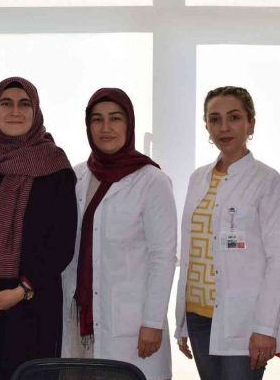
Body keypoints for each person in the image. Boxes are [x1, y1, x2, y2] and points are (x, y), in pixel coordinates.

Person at [174, 86, 280, 379]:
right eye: (214, 119)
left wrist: (265, 328)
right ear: (206, 126)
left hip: (244, 319)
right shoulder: (198, 178)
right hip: (198, 315)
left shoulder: (268, 181)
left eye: (234, 117)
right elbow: (190, 251)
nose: (224, 127)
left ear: (251, 123)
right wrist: (182, 322)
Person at [0, 77, 77, 380]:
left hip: (35, 302)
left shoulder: (55, 167)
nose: (15, 111)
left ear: (35, 111)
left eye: (24, 104)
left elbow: (62, 243)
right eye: (6, 103)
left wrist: (22, 290)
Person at [61, 88, 177, 380]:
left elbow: (163, 257)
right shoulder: (77, 176)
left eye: (115, 118)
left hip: (131, 323)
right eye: (97, 119)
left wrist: (153, 322)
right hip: (79, 320)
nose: (106, 127)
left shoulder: (152, 181)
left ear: (129, 124)